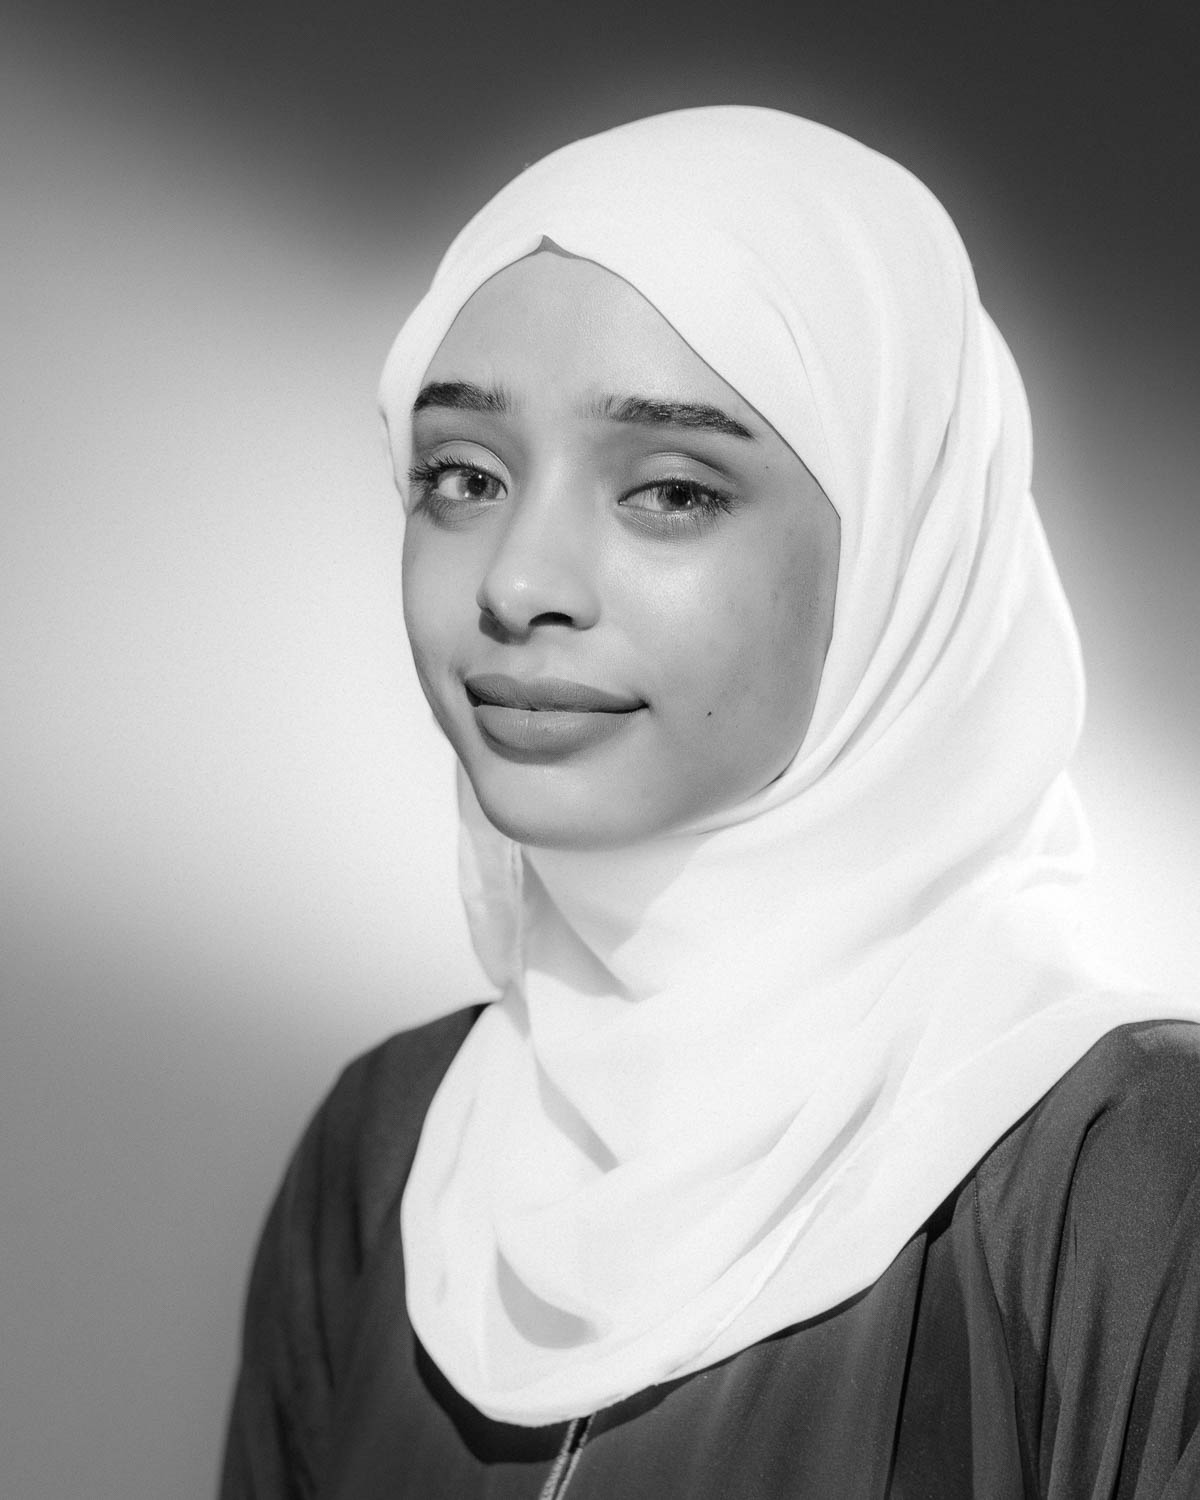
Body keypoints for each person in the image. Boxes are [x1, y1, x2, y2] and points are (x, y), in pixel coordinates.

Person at [219, 107, 1200, 1498]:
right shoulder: (394, 1149)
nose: (516, 582)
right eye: (462, 477)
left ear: (896, 558)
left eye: (672, 490)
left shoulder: (1130, 1180)